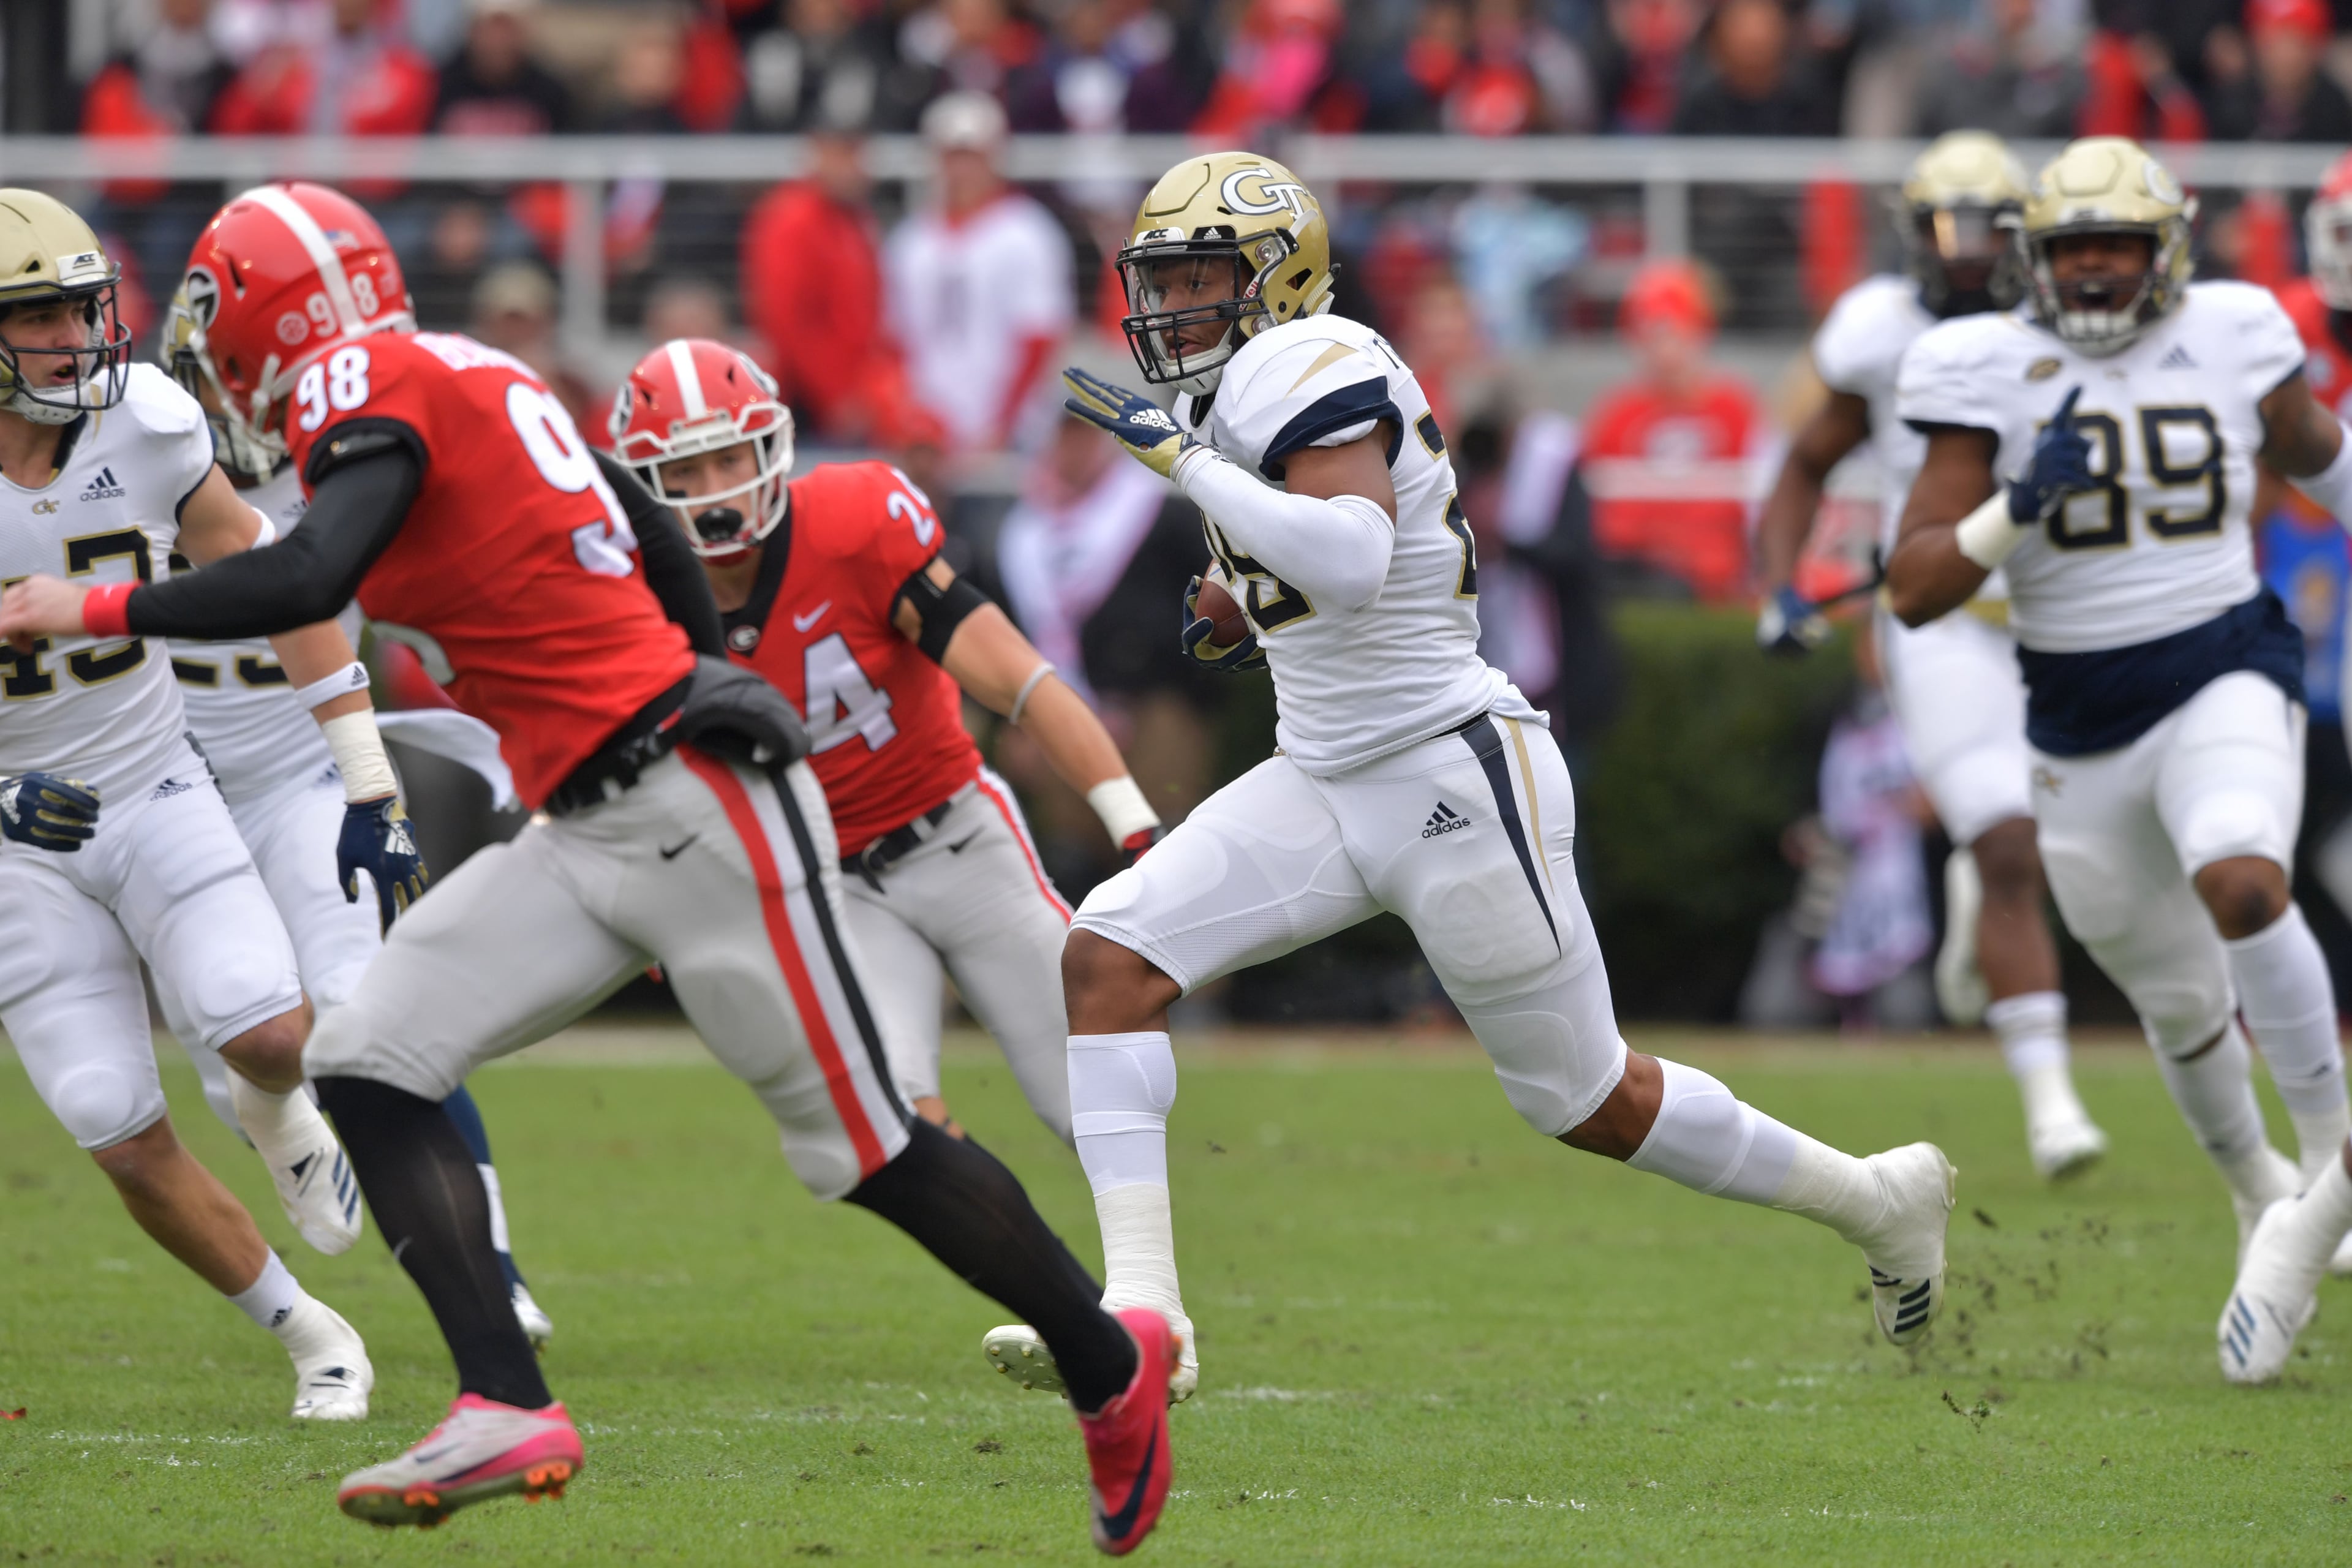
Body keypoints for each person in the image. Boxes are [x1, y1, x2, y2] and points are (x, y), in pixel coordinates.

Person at [0, 181, 1174, 1554]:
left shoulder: (363, 383)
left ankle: (1109, 1367)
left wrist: (91, 602)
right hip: (586, 818)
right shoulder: (472, 368)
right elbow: (648, 516)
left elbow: (305, 580)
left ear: (266, 313)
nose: (223, 369)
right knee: (368, 1054)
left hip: (684, 807)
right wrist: (711, 657)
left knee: (867, 1152)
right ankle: (505, 1395)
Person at [981, 151, 1958, 1409]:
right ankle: (1144, 1312)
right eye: (1160, 277)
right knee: (1109, 957)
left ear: (1276, 278)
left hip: (1449, 769)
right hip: (1328, 774)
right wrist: (1237, 600)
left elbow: (1350, 550)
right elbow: (1323, 570)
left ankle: (1878, 1199)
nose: (1173, 303)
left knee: (1587, 1097)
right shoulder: (1252, 385)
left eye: (1199, 275)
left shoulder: (1307, 359)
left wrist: (1190, 471)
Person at [1885, 140, 2352, 1301]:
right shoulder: (1981, 364)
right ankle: (2260, 1189)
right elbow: (1916, 586)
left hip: (2222, 663)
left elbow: (2320, 458)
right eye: (2073, 249)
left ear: (2167, 252)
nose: (2094, 270)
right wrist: (2015, 508)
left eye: (2117, 246)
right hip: (2076, 718)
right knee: (2179, 999)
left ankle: (2335, 1174)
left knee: (2243, 879)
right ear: (2036, 262)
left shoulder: (2236, 330)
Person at [0, 189, 416, 1420]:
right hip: (12, 836)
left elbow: (283, 578)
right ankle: (311, 1332)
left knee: (274, 1036)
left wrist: (364, 771)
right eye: (41, 316)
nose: (80, 337)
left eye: (85, 306)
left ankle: (271, 1107)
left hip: (151, 778)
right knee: (110, 1121)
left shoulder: (148, 423)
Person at [609, 336, 1163, 1140]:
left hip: (958, 838)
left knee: (1093, 1104)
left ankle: (1154, 1267)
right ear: (645, 487)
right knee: (901, 1129)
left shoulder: (856, 519)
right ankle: (1044, 1274)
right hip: (836, 889)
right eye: (684, 474)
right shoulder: (640, 602)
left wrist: (1134, 824)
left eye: (732, 459)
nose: (716, 493)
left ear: (773, 445)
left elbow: (1023, 681)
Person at [154, 285, 554, 1348]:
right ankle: (275, 1115)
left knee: (376, 1014)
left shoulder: (356, 461)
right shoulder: (136, 449)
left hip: (310, 777)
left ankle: (496, 1271)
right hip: (173, 796)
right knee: (255, 1046)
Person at [1753, 130, 2108, 1180]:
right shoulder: (1877, 327)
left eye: (1985, 227)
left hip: (2064, 610)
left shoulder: (2067, 322)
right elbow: (1804, 456)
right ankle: (2051, 1106)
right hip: (1946, 618)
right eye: (1943, 227)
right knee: (2008, 847)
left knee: (2083, 856)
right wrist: (1780, 583)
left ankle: (1978, 903)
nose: (1962, 251)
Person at [883, 91, 1074, 453]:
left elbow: (1040, 340)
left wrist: (1001, 427)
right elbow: (895, 344)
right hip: (927, 439)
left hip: (1012, 437)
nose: (961, 170)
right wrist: (907, 418)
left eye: (972, 157)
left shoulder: (1028, 232)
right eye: (952, 156)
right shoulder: (911, 240)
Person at [1581, 259, 1766, 603]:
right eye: (1650, 334)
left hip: (1716, 575)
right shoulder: (1618, 412)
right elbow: (1603, 513)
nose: (1665, 349)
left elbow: (1751, 502)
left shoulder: (1734, 407)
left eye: (1675, 331)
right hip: (1639, 572)